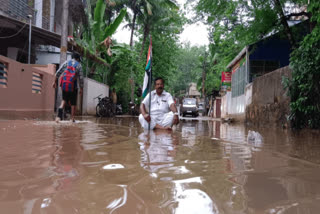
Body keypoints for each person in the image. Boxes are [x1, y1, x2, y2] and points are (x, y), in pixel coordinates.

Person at [52, 52, 83, 122]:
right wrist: (81, 89)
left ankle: (58, 117)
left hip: (65, 85)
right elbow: (81, 78)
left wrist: (54, 82)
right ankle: (72, 119)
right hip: (73, 87)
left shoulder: (66, 63)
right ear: (78, 59)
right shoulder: (79, 65)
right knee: (73, 103)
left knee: (63, 101)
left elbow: (57, 73)